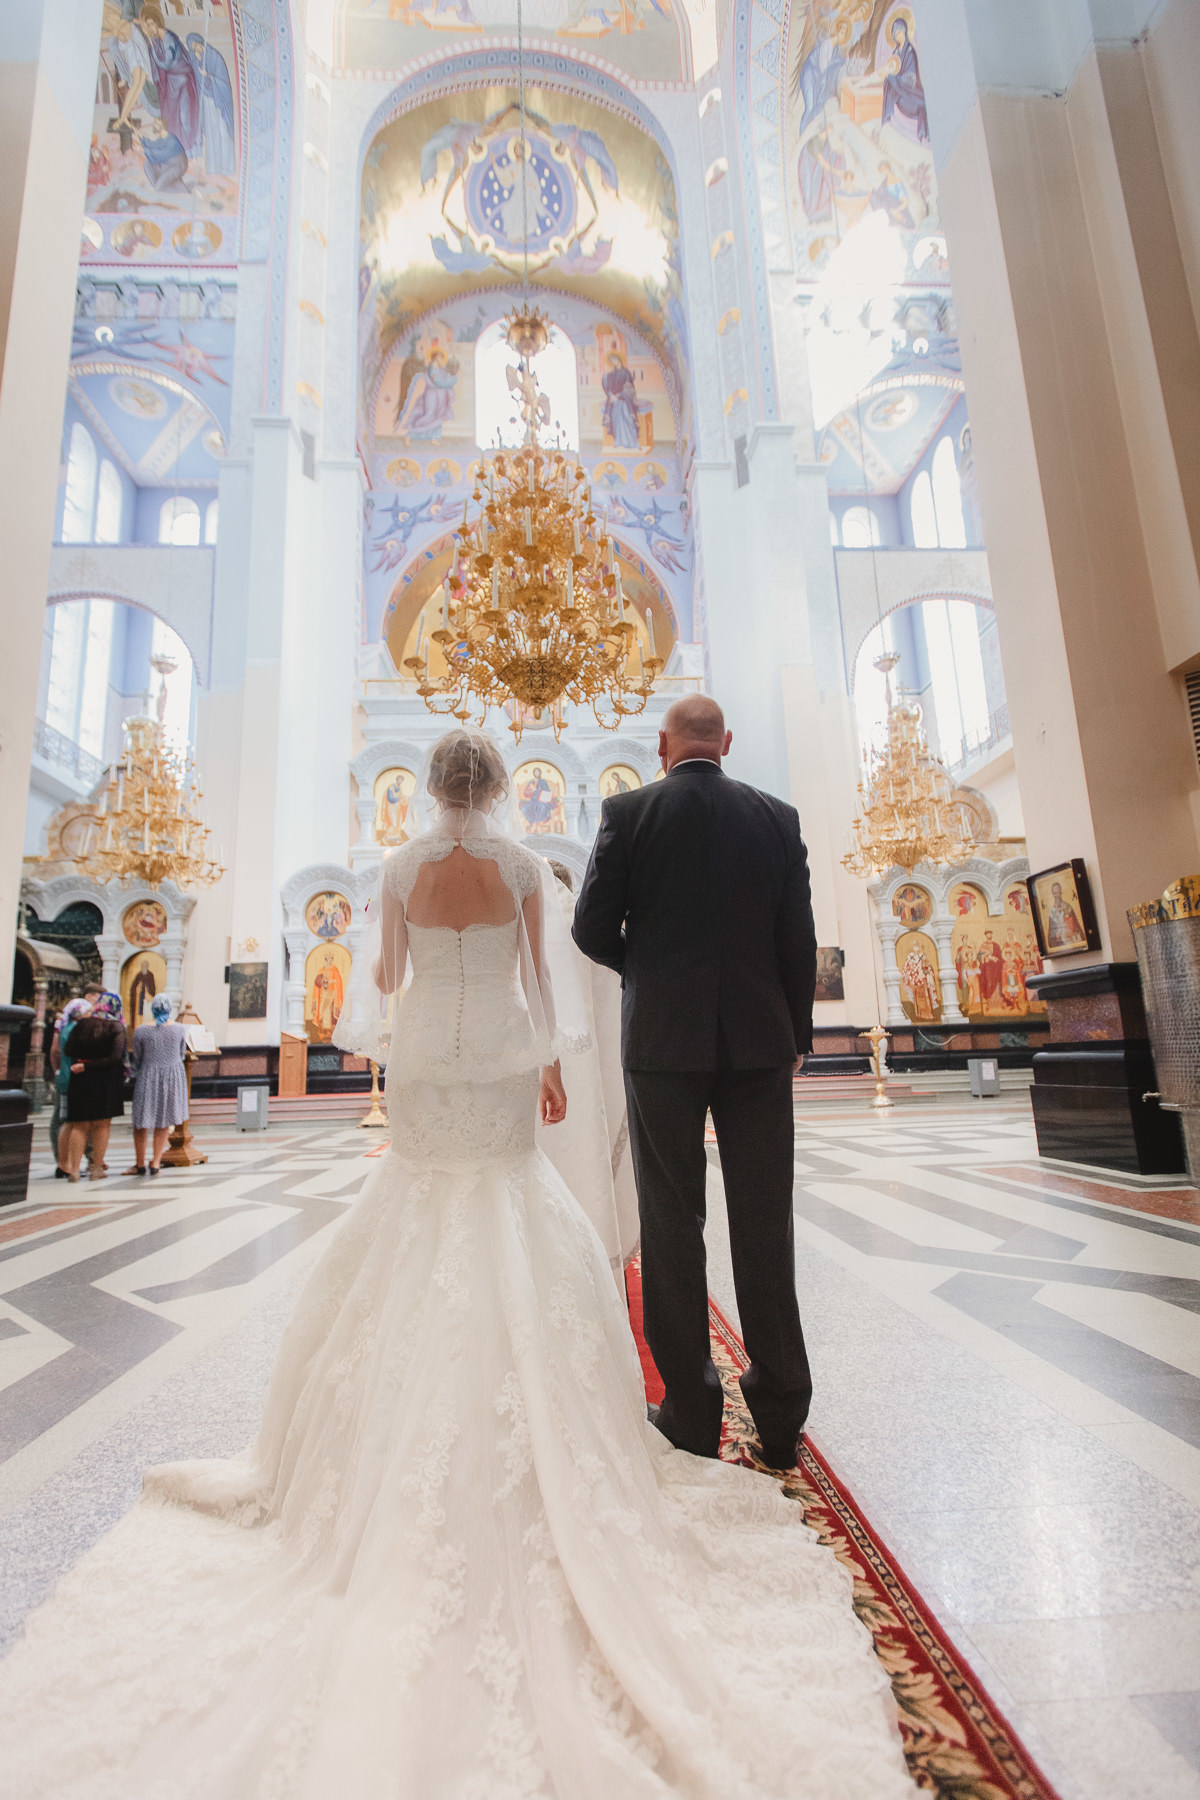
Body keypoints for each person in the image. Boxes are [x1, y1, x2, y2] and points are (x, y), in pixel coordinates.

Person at [0, 727, 914, 1800]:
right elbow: (541, 974)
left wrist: (410, 996)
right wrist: (553, 1071)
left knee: (417, 1208)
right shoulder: (526, 866)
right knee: (517, 1205)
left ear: (431, 789)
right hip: (506, 1065)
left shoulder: (395, 868)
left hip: (428, 1059)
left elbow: (384, 976)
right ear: (497, 791)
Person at [572, 695, 818, 1470]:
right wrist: (796, 1036)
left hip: (662, 1043)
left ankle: (690, 1409)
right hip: (758, 1046)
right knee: (763, 1221)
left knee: (672, 1222)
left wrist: (645, 973)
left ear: (662, 746)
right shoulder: (777, 817)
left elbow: (588, 927)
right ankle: (779, 1414)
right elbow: (797, 941)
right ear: (729, 742)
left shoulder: (630, 811)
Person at [60, 991, 127, 1184]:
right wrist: (92, 1064)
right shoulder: (115, 1027)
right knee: (102, 1125)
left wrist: (84, 1064)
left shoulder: (82, 1024)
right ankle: (96, 1167)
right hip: (105, 1080)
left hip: (80, 1077)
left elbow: (69, 1050)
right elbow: (116, 1057)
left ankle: (73, 1170)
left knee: (79, 1124)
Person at [127, 993, 188, 1177]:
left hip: (148, 1076)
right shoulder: (179, 1029)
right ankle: (155, 1162)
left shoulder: (141, 1030)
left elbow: (137, 1056)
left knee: (141, 1121)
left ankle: (139, 1163)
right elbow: (182, 1053)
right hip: (172, 1076)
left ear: (152, 1009)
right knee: (163, 1121)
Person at [48, 993, 97, 1176]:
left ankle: (64, 1163)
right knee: (70, 1122)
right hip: (73, 1079)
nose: (91, 1015)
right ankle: (64, 1164)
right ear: (79, 1013)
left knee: (67, 1121)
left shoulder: (66, 1028)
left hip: (65, 1076)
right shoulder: (75, 1030)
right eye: (88, 1011)